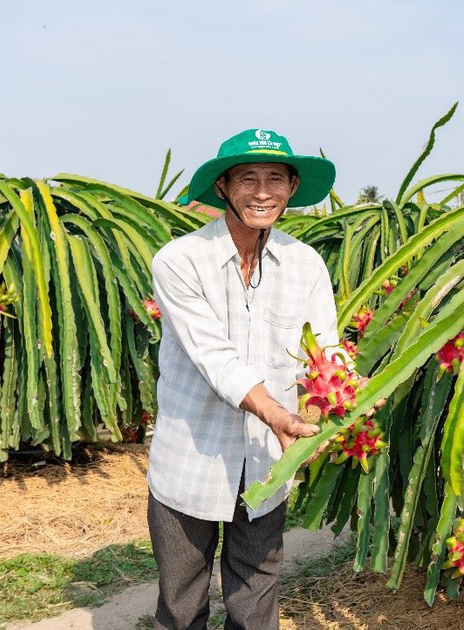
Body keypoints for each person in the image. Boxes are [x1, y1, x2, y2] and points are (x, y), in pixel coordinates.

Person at [147, 128, 341, 629]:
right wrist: (278, 413)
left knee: (257, 591)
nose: (262, 192)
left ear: (293, 188)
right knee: (182, 600)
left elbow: (324, 349)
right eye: (248, 178)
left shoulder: (306, 264)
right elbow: (214, 357)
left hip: (266, 458)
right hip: (191, 453)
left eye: (275, 178)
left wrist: (343, 400)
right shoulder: (179, 261)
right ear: (222, 188)